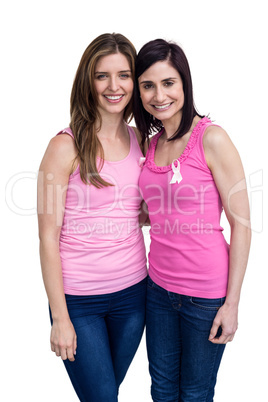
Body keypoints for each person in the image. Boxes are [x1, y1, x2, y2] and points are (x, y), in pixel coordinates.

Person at [133, 39, 251, 402]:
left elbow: (242, 224)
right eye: (148, 85)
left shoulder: (211, 139)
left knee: (196, 392)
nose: (159, 95)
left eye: (168, 83)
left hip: (206, 296)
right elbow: (157, 211)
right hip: (157, 290)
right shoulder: (151, 145)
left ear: (184, 84)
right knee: (163, 388)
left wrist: (231, 304)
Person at [37, 33, 147, 402]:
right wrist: (60, 317)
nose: (114, 86)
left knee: (105, 394)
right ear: (88, 80)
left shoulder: (142, 140)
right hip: (79, 301)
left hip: (134, 296)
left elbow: (138, 208)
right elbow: (47, 237)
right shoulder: (64, 146)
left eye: (124, 75)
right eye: (102, 76)